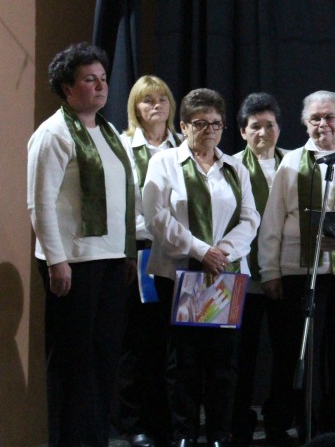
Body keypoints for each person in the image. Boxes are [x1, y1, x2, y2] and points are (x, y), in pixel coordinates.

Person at [28, 42, 137, 447]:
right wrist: (56, 261)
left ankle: (95, 439)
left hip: (109, 260)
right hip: (73, 263)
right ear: (67, 87)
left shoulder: (109, 134)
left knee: (103, 358)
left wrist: (126, 252)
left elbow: (123, 198)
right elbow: (40, 203)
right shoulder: (53, 134)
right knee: (72, 362)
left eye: (103, 78)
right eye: (90, 79)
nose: (101, 86)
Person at [143, 88, 261, 447]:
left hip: (225, 275)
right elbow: (156, 217)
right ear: (183, 126)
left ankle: (219, 435)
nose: (209, 130)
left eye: (216, 123)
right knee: (184, 362)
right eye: (200, 123)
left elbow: (250, 218)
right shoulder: (164, 163)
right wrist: (200, 250)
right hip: (179, 275)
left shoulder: (235, 167)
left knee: (223, 362)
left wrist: (221, 251)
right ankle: (184, 434)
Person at [259, 91, 335, 442]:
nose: (323, 124)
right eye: (315, 118)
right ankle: (306, 427)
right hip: (300, 273)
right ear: (304, 123)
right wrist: (270, 271)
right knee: (302, 356)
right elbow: (272, 220)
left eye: (330, 117)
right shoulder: (292, 162)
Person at [117, 75, 182, 447]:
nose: (155, 105)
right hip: (143, 251)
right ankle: (134, 423)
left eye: (162, 98)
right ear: (135, 108)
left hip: (180, 254)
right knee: (140, 342)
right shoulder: (126, 146)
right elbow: (125, 207)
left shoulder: (182, 145)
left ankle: (168, 423)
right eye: (147, 100)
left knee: (173, 344)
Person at [231, 92, 287, 447]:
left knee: (283, 355)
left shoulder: (293, 164)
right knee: (241, 356)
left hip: (284, 274)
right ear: (242, 132)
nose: (263, 133)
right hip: (243, 276)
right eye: (255, 127)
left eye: (269, 125)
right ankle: (238, 425)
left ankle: (279, 422)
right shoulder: (231, 166)